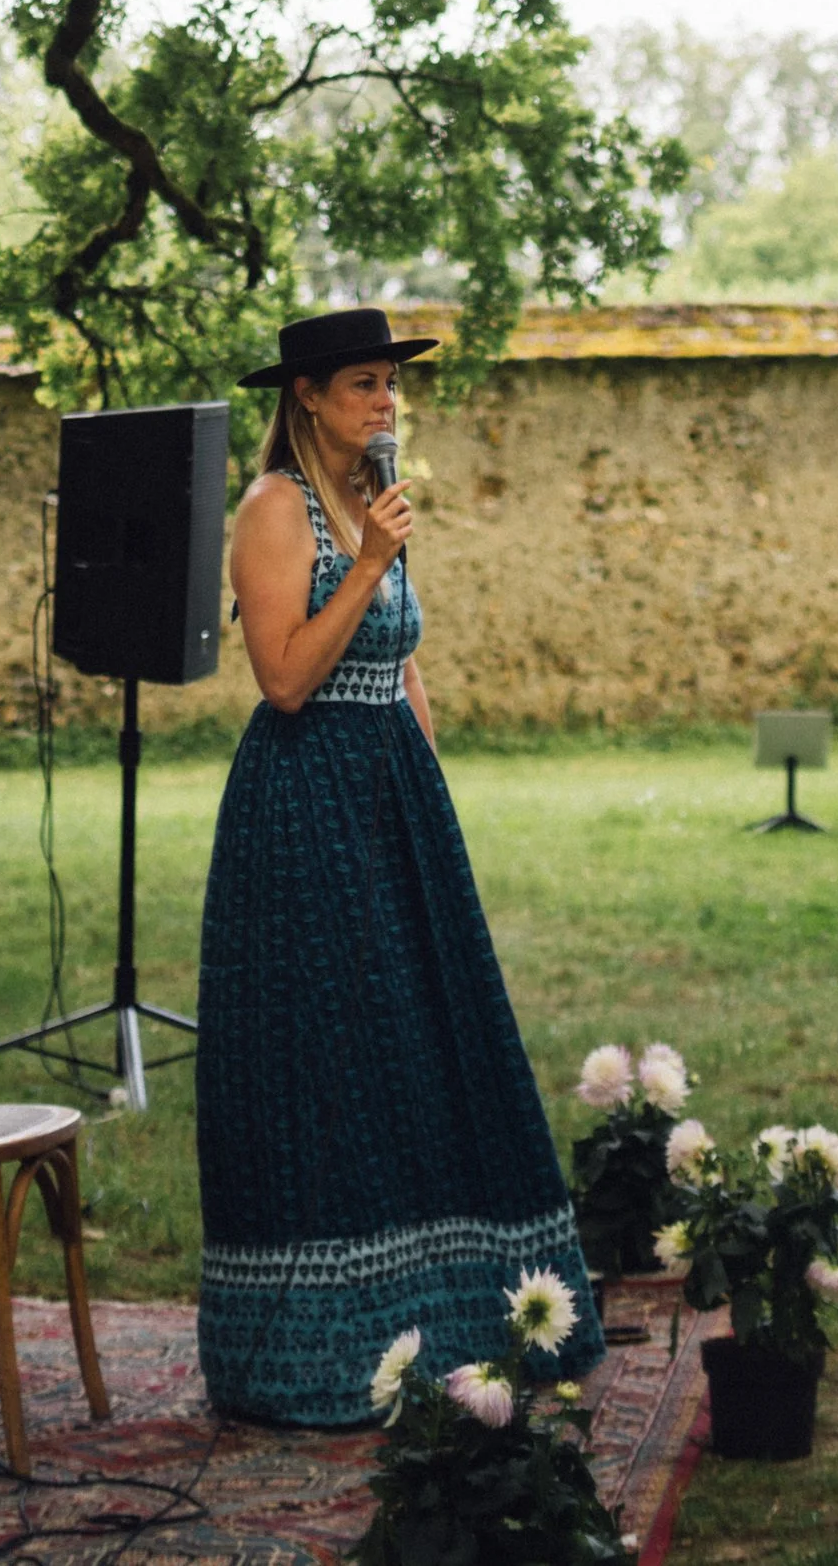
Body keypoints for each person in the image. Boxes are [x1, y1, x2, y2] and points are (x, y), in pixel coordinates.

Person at [193, 305, 604, 1426]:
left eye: (389, 383)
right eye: (364, 383)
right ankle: (317, 1350)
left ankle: (460, 1319)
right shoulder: (274, 509)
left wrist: (428, 797)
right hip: (301, 808)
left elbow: (401, 654)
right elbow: (284, 679)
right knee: (327, 1061)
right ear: (308, 397)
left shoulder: (373, 498)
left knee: (423, 1044)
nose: (385, 402)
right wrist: (368, 560)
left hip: (388, 803)